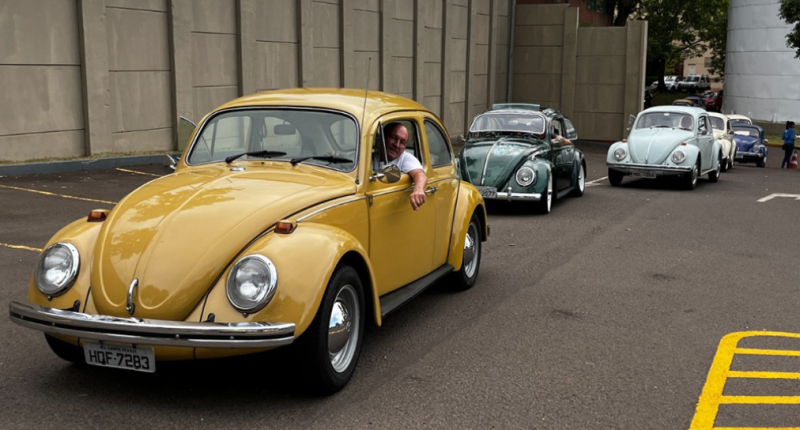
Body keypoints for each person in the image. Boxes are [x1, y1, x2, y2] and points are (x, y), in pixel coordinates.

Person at [379, 122, 427, 211]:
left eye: (402, 142)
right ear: (383, 137)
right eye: (393, 138)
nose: (397, 145)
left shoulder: (405, 158)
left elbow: (420, 174)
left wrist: (418, 190)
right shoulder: (370, 156)